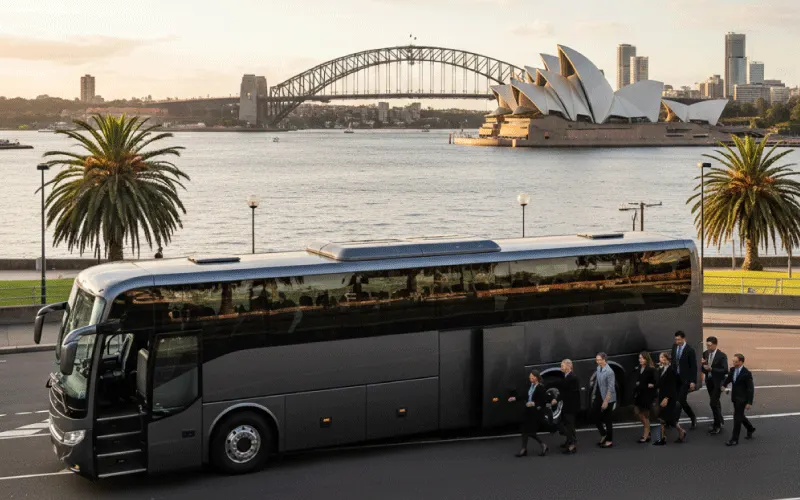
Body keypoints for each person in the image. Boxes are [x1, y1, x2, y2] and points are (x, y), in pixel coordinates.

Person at [509, 370, 549, 457]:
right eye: (529, 377)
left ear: (536, 378)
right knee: (524, 430)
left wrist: (533, 403)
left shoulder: (540, 387)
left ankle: (542, 444)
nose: (530, 378)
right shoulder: (531, 386)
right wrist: (515, 398)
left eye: (531, 377)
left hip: (535, 412)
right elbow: (525, 395)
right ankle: (524, 449)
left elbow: (543, 401)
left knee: (530, 432)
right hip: (528, 411)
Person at [653, 351, 687, 445]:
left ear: (668, 359)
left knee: (666, 418)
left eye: (664, 358)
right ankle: (665, 437)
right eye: (660, 358)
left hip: (669, 397)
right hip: (662, 396)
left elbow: (672, 386)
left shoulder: (671, 370)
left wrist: (667, 398)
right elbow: (660, 383)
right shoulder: (661, 369)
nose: (661, 359)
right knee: (664, 418)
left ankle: (677, 433)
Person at [723, 353, 755, 446]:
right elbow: (729, 379)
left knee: (737, 418)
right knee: (740, 416)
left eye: (735, 361)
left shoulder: (746, 373)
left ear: (740, 362)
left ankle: (734, 439)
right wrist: (724, 385)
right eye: (733, 361)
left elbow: (750, 389)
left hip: (742, 399)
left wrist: (749, 402)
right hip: (735, 397)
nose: (733, 362)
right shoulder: (733, 370)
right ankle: (750, 428)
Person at [549, 359, 580, 454]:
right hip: (567, 405)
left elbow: (566, 392)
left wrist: (556, 399)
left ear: (568, 366)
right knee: (566, 424)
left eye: (562, 365)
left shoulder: (572, 378)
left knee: (570, 425)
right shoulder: (567, 376)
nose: (561, 367)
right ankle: (568, 441)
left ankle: (572, 446)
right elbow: (563, 389)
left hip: (571, 406)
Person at [670, 330, 698, 429]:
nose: (677, 341)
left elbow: (693, 367)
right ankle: (676, 420)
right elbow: (673, 361)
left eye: (679, 340)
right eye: (676, 339)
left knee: (680, 400)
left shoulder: (690, 350)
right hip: (675, 378)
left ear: (683, 339)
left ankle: (689, 417)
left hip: (685, 380)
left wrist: (693, 381)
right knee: (677, 400)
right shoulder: (674, 347)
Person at [701, 336, 729, 435]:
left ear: (715, 345)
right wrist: (703, 366)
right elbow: (703, 369)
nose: (708, 348)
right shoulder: (705, 354)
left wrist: (711, 369)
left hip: (718, 382)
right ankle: (720, 420)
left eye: (710, 345)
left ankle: (717, 425)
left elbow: (725, 370)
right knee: (715, 401)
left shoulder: (722, 356)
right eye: (707, 345)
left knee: (713, 403)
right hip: (709, 381)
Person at [632, 351, 657, 443]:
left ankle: (646, 435)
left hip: (647, 395)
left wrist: (652, 385)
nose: (640, 360)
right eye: (639, 358)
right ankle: (648, 430)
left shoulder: (651, 369)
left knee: (645, 415)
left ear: (646, 359)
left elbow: (656, 382)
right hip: (639, 394)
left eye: (642, 358)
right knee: (636, 412)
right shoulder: (639, 368)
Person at [593, 352, 616, 448]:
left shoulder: (609, 371)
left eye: (599, 360)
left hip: (608, 398)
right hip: (599, 396)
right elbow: (597, 383)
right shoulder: (598, 368)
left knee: (608, 419)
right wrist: (594, 394)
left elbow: (611, 388)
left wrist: (606, 401)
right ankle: (603, 434)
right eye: (596, 360)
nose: (597, 361)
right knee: (595, 416)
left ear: (604, 360)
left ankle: (609, 440)